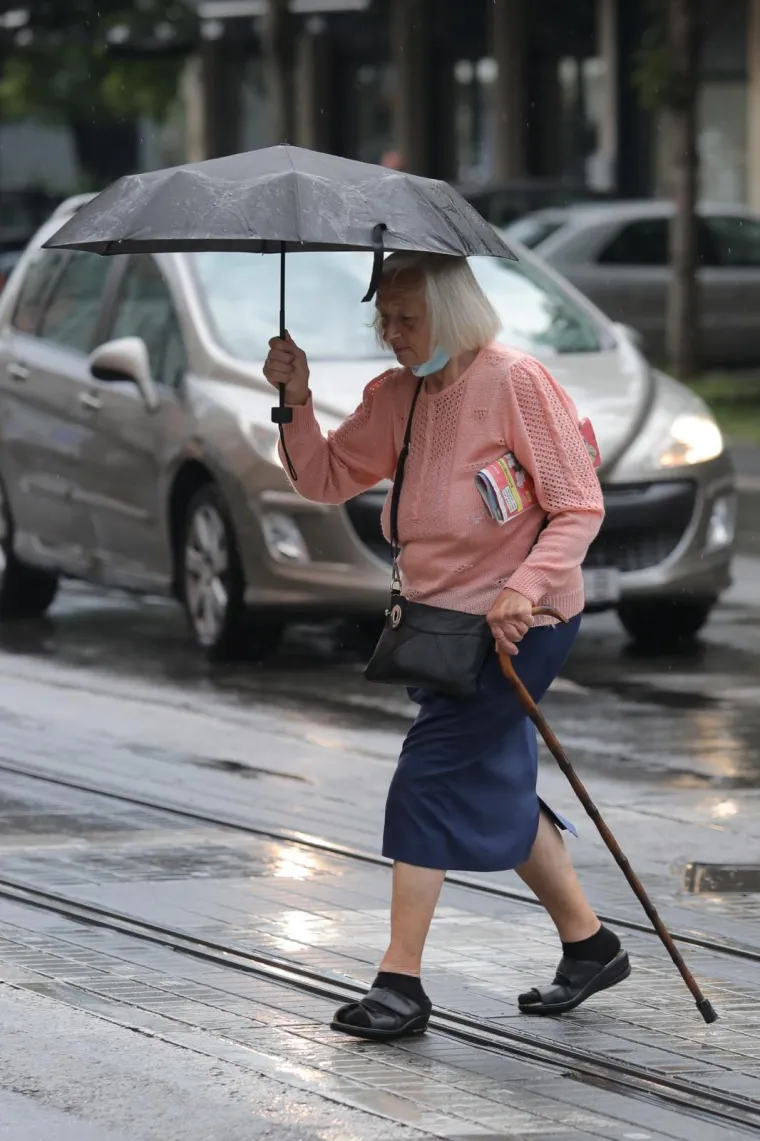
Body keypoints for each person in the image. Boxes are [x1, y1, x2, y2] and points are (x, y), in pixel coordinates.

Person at [263, 251, 630, 1042]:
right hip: (440, 630)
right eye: (383, 320)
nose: (392, 335)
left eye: (407, 319)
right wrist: (294, 399)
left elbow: (578, 506)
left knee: (428, 776)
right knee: (487, 771)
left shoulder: (515, 383)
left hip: (521, 628)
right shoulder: (397, 396)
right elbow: (323, 477)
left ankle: (399, 982)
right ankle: (590, 943)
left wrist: (524, 586)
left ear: (453, 312)